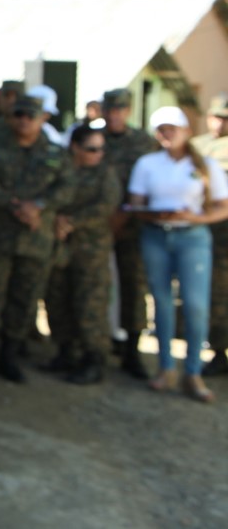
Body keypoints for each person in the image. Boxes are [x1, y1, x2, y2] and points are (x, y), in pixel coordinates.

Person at [0, 93, 74, 384]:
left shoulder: (54, 152)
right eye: (19, 115)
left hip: (35, 240)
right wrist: (17, 206)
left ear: (42, 119)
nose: (24, 121)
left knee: (24, 301)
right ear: (10, 117)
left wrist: (38, 206)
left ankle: (9, 358)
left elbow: (67, 188)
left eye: (31, 116)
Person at [128, 106, 228, 402]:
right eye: (161, 129)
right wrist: (153, 213)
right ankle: (165, 367)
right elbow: (136, 202)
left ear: (185, 130)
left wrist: (195, 219)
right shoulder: (147, 164)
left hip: (192, 238)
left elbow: (222, 206)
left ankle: (193, 371)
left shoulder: (205, 164)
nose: (167, 134)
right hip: (156, 236)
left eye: (172, 128)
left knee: (196, 305)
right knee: (161, 302)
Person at [42, 126, 120, 385]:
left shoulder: (104, 174)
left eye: (101, 149)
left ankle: (94, 359)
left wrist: (71, 221)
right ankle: (66, 353)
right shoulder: (60, 168)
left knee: (90, 305)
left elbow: (106, 205)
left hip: (91, 251)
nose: (98, 154)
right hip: (60, 247)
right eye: (91, 148)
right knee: (57, 299)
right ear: (75, 147)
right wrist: (55, 219)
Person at [100, 88, 159, 380]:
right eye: (110, 109)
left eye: (120, 109)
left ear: (128, 110)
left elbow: (153, 183)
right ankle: (98, 345)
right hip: (97, 225)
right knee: (96, 286)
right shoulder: (93, 140)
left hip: (133, 226)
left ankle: (132, 351)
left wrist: (126, 215)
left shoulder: (144, 143)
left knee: (133, 288)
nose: (114, 115)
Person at [191, 93, 228, 376]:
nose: (221, 123)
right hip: (209, 233)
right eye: (217, 116)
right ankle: (218, 351)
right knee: (216, 295)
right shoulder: (197, 146)